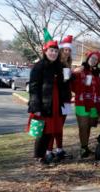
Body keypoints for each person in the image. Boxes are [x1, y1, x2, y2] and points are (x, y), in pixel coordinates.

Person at [28, 28, 71, 165]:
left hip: (56, 103)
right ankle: (39, 157)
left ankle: (45, 155)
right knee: (42, 131)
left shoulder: (58, 67)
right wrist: (36, 106)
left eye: (55, 51)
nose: (53, 53)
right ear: (45, 51)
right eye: (51, 51)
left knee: (51, 130)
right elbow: (34, 88)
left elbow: (64, 84)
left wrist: (68, 78)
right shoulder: (38, 67)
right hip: (44, 103)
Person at [46, 35, 73, 162]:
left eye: (69, 50)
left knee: (60, 126)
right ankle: (49, 150)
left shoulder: (68, 64)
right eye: (65, 50)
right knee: (54, 125)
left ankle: (59, 149)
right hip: (58, 99)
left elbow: (69, 83)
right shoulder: (57, 64)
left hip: (67, 99)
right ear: (61, 50)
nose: (67, 52)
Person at [70, 51, 100, 158]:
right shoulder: (81, 70)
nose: (93, 60)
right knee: (83, 126)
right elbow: (72, 85)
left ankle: (86, 146)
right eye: (92, 58)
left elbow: (98, 89)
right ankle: (83, 148)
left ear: (98, 62)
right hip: (82, 101)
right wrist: (74, 73)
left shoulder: (97, 73)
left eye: (96, 59)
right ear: (88, 58)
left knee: (88, 126)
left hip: (93, 103)